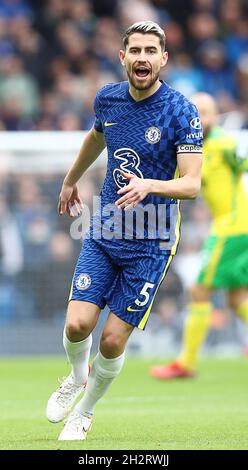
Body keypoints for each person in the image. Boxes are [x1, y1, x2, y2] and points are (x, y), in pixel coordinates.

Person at [46, 21, 203, 441]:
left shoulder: (181, 111)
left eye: (151, 51)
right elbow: (96, 139)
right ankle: (78, 378)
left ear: (163, 59)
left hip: (152, 240)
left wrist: (151, 184)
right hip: (106, 227)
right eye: (135, 50)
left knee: (112, 342)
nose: (142, 58)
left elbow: (191, 184)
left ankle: (86, 411)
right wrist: (70, 179)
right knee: (78, 325)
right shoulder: (108, 99)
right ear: (123, 57)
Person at [150, 92, 248, 381]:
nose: (202, 117)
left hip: (232, 227)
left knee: (199, 290)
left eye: (207, 111)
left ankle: (186, 362)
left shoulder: (225, 144)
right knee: (236, 296)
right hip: (231, 226)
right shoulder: (194, 148)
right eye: (197, 111)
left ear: (216, 115)